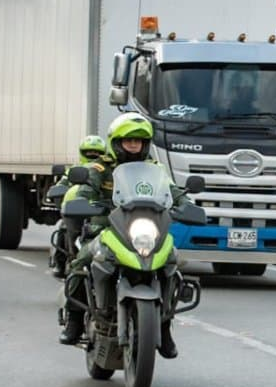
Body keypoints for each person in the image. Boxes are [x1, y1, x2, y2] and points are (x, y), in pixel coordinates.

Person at [58, 113, 187, 359]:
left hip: (145, 232)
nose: (134, 146)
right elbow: (85, 189)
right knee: (80, 262)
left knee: (172, 261)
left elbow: (173, 191)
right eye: (129, 141)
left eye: (139, 141)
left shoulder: (155, 169)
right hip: (105, 229)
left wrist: (187, 203)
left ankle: (163, 326)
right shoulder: (100, 167)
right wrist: (83, 201)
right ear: (117, 142)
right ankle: (74, 320)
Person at [50, 135, 107, 278]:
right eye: (89, 153)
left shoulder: (108, 170)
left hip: (102, 211)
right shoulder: (74, 170)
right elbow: (61, 185)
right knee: (64, 227)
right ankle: (61, 263)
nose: (93, 156)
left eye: (97, 153)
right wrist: (61, 192)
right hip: (78, 210)